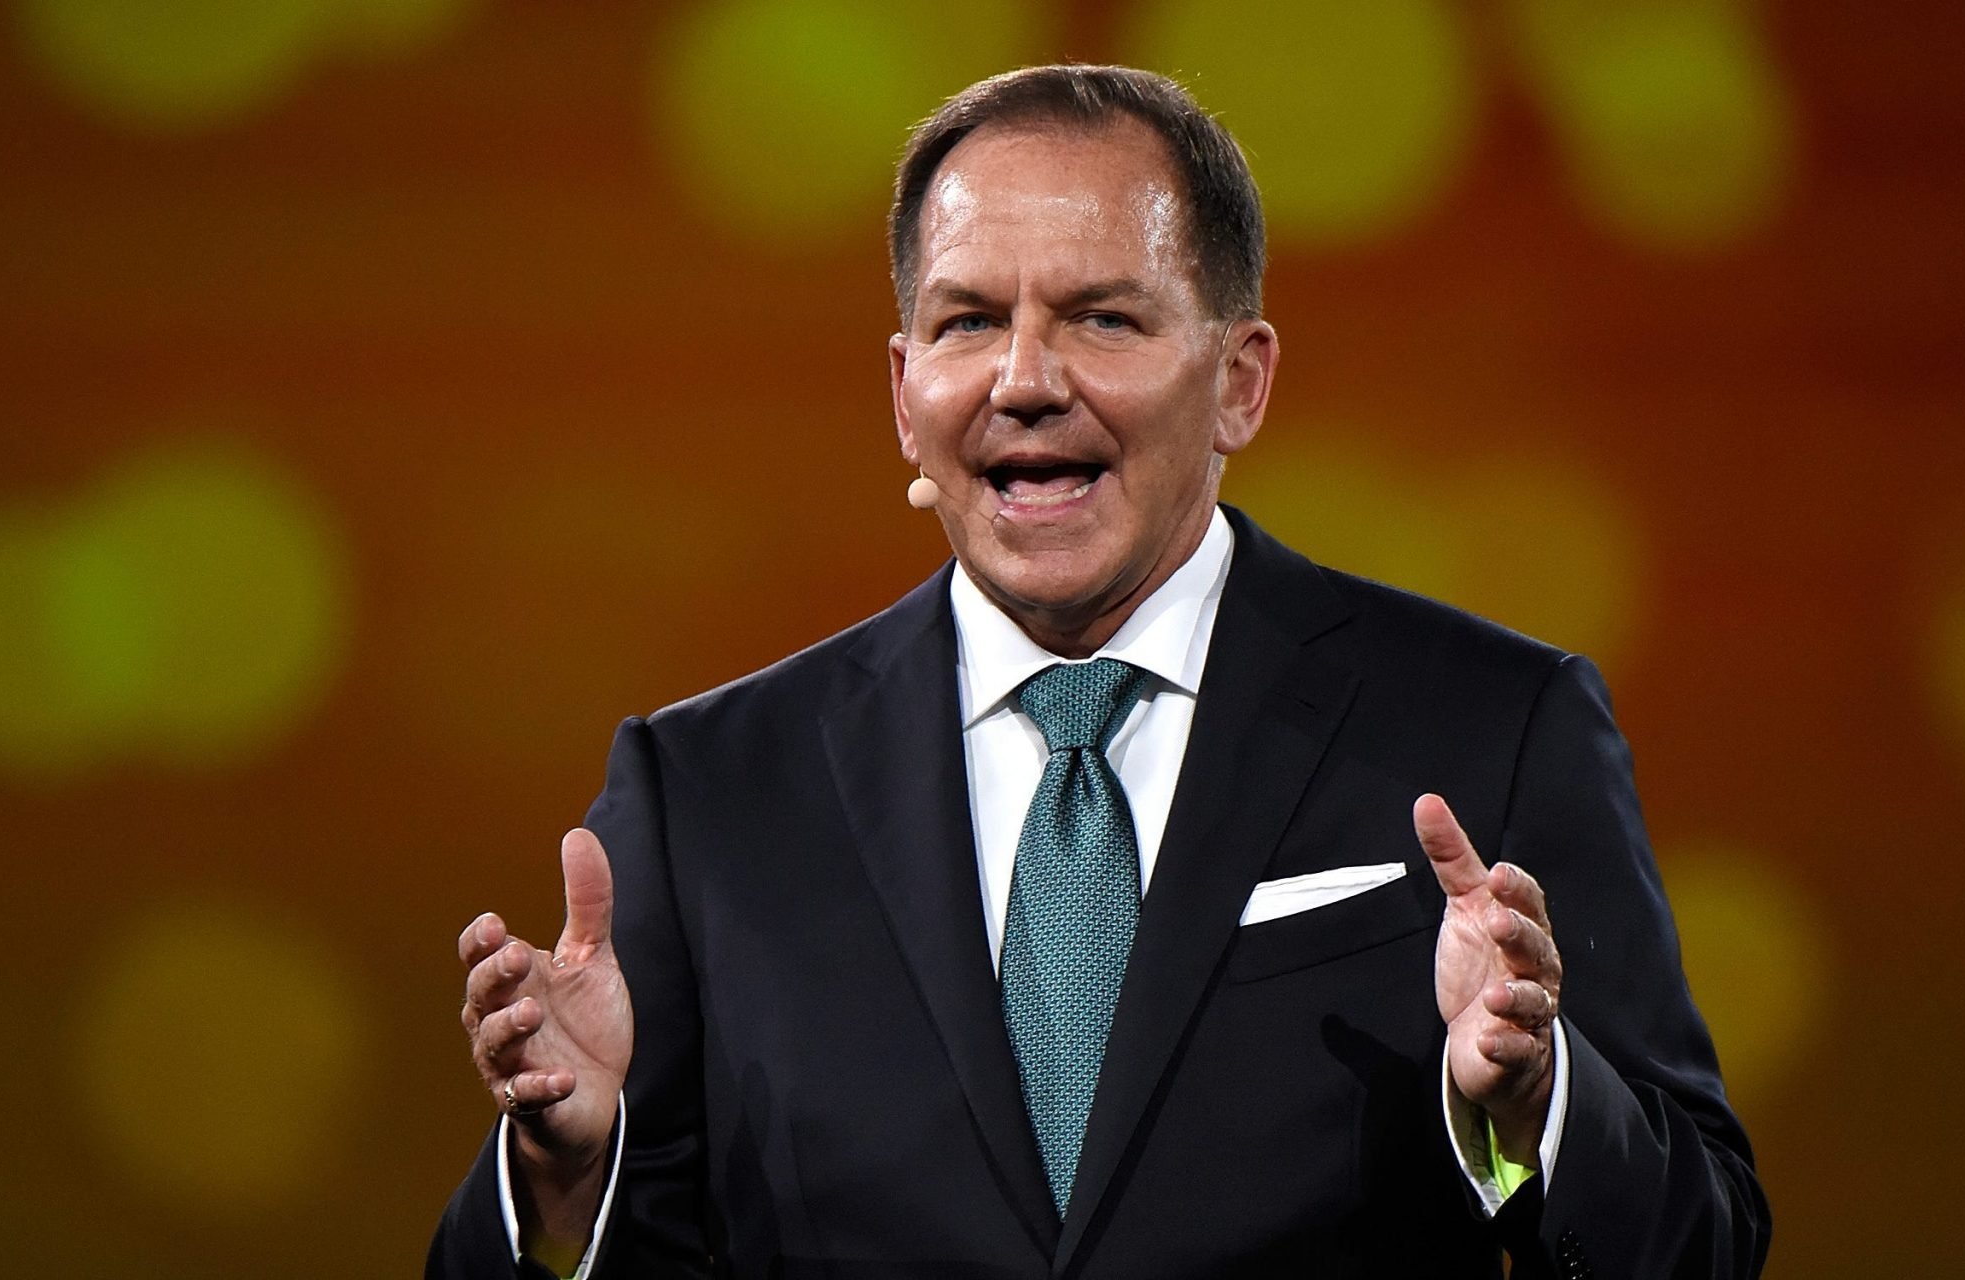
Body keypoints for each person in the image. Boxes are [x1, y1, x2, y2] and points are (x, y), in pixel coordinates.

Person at [430, 65, 1766, 1279]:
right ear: (905, 397)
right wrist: (565, 1175)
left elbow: (1704, 1245)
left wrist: (1539, 1107)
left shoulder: (1489, 726)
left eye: (1101, 317)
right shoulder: (708, 793)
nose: (1021, 380)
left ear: (1239, 382)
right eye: (964, 324)